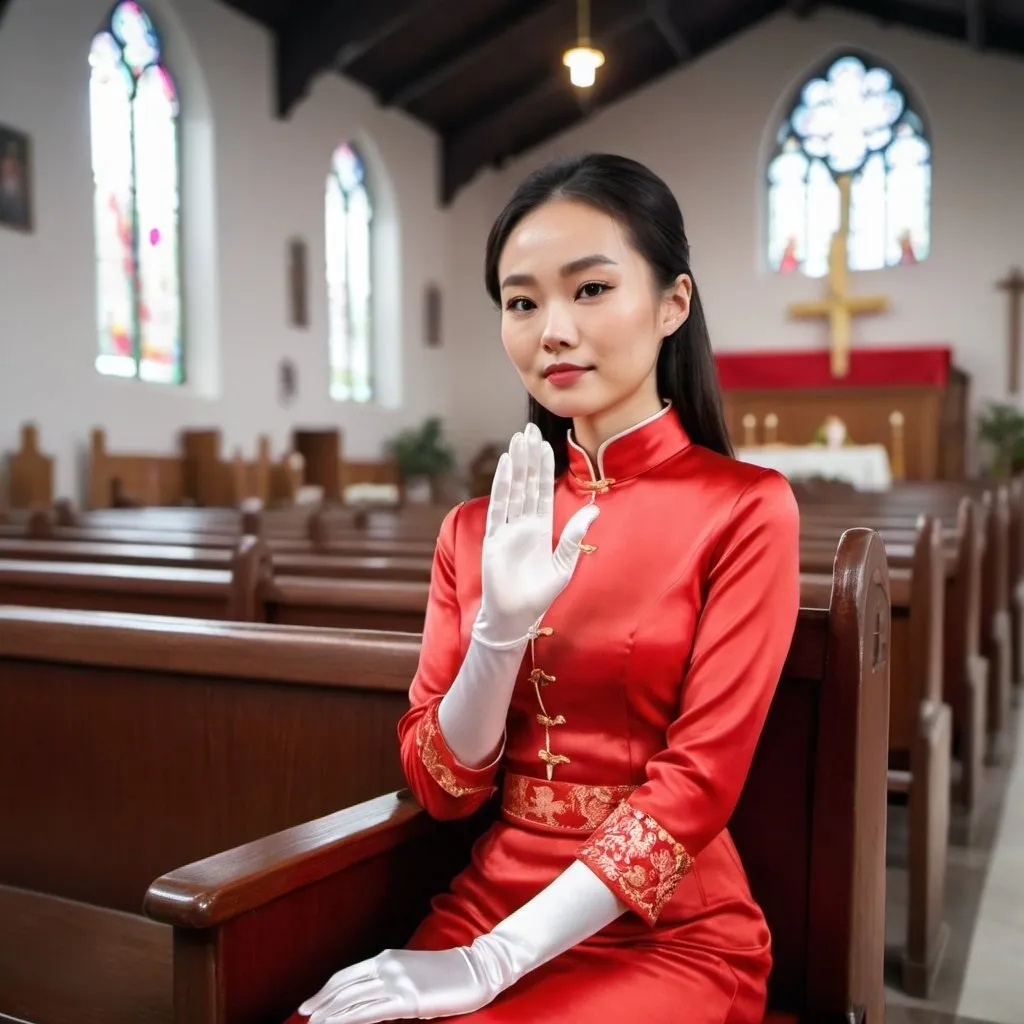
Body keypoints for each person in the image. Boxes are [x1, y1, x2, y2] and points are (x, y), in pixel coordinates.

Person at [290, 153, 801, 1024]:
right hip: (492, 894)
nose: (551, 330)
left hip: (665, 927)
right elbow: (443, 788)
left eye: (591, 290)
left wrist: (492, 965)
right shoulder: (473, 527)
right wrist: (498, 634)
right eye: (521, 302)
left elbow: (700, 785)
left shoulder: (747, 509)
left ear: (673, 303)